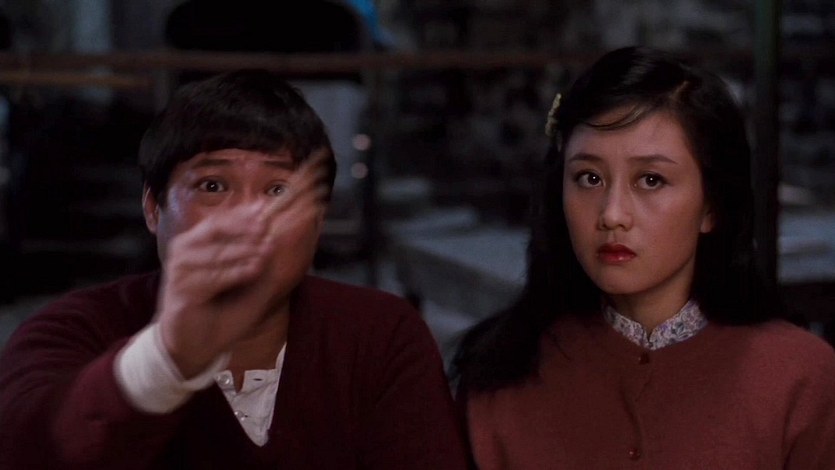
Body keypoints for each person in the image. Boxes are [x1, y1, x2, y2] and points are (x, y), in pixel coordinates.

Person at [0, 69, 469, 469]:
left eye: (277, 190)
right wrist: (165, 359)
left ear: (318, 218)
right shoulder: (73, 330)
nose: (248, 219)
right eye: (213, 185)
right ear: (153, 208)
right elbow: (30, 447)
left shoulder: (380, 336)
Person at [453, 46, 835, 469]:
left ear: (712, 206)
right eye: (589, 178)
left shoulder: (801, 379)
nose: (612, 214)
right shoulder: (500, 382)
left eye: (651, 180)